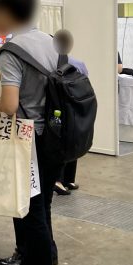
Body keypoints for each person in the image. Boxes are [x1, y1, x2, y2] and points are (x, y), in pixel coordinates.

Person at [0, 0, 61, 265]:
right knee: (41, 209)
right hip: (56, 139)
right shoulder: (51, 42)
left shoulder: (12, 50)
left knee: (32, 216)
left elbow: (11, 105)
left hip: (29, 143)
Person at [53, 30, 87, 195]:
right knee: (73, 141)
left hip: (58, 108)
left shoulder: (52, 62)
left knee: (59, 143)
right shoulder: (79, 63)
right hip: (75, 106)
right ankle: (69, 179)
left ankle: (58, 180)